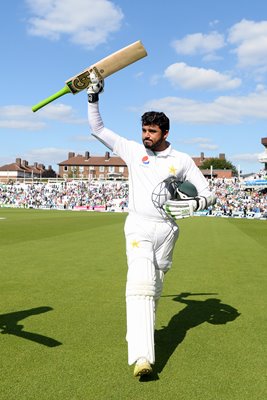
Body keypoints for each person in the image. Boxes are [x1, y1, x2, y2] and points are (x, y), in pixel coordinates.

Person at [86, 74, 216, 377]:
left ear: (165, 132)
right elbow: (98, 129)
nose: (146, 135)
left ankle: (140, 333)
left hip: (168, 230)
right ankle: (143, 357)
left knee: (154, 288)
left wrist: (197, 203)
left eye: (152, 131)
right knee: (141, 282)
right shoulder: (134, 150)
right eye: (144, 129)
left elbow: (209, 193)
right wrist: (93, 96)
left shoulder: (181, 160)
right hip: (139, 225)